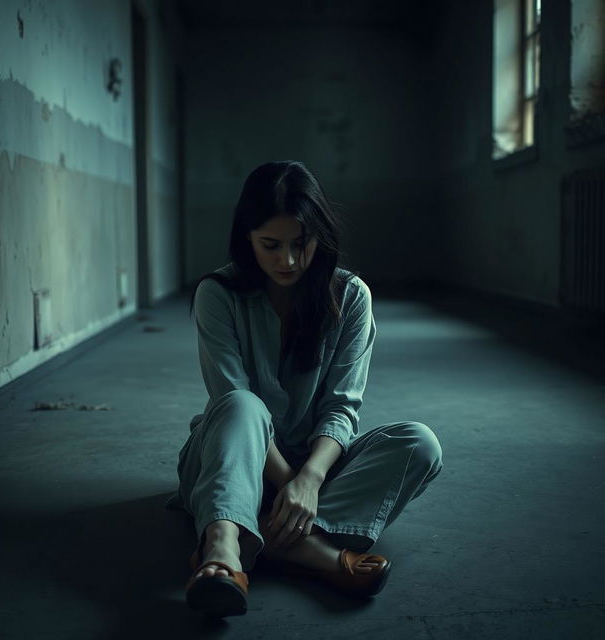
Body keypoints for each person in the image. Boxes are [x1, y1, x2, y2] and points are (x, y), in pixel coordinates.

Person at [165, 160, 443, 617]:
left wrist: (310, 479)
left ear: (321, 237)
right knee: (240, 404)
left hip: (316, 467)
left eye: (301, 244)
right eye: (270, 245)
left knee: (420, 443)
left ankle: (277, 540)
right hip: (232, 458)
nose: (288, 261)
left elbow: (342, 407)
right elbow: (228, 396)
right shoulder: (218, 293)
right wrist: (293, 486)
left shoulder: (351, 296)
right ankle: (224, 549)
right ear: (247, 238)